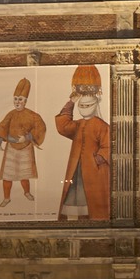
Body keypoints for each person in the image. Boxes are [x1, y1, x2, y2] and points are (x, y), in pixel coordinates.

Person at [56, 65, 112, 221]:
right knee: (74, 201)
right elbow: (63, 127)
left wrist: (98, 159)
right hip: (76, 169)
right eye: (82, 106)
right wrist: (71, 102)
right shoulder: (78, 124)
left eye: (87, 105)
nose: (84, 108)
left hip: (94, 172)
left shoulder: (102, 125)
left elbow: (109, 146)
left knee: (92, 204)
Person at [0, 78, 47, 206]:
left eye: (20, 99)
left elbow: (41, 128)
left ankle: (26, 192)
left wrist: (27, 137)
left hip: (26, 147)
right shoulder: (11, 114)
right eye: (15, 99)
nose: (17, 102)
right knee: (7, 175)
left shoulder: (33, 115)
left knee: (24, 174)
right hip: (11, 147)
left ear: (25, 101)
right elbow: (2, 126)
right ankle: (6, 198)